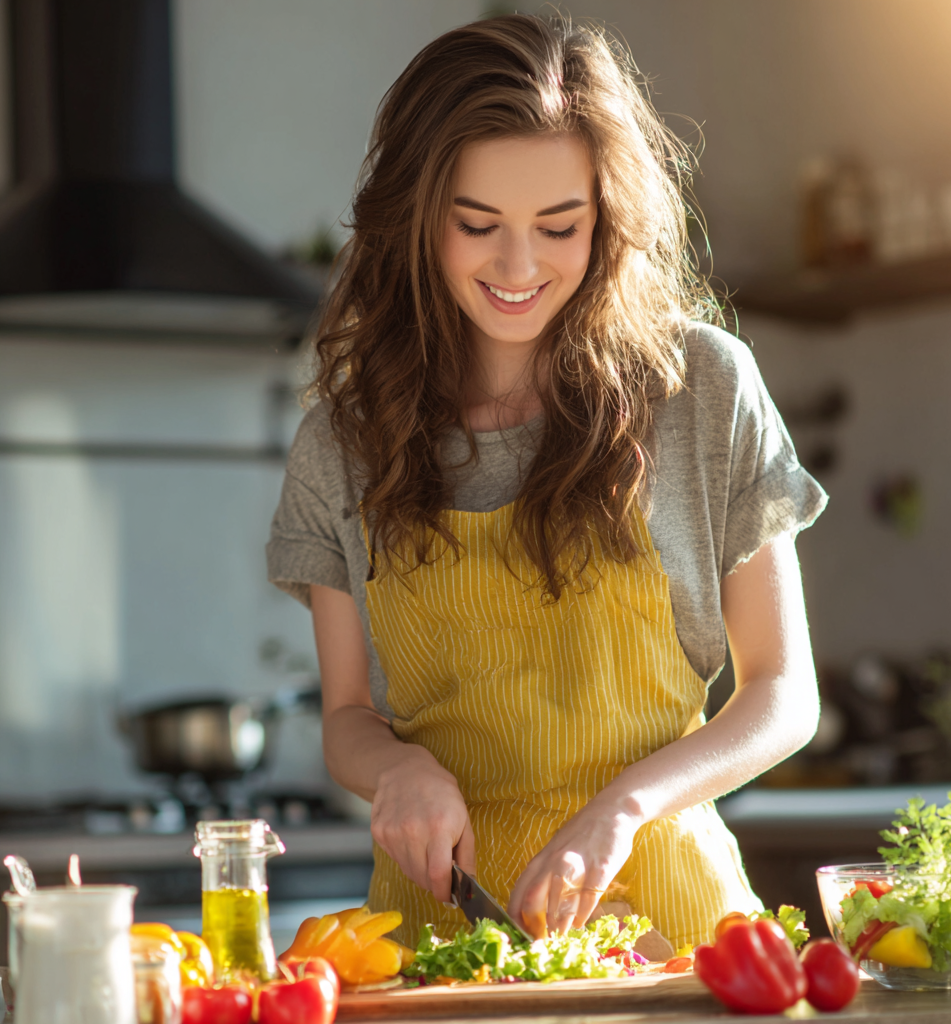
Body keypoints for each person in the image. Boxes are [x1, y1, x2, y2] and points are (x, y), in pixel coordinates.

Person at [267, 13, 827, 952]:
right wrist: (397, 770)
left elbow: (782, 690)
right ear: (415, 218)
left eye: (559, 226)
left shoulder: (702, 388)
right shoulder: (344, 441)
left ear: (609, 218)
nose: (518, 267)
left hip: (671, 936)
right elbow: (347, 717)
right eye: (476, 224)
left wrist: (623, 809)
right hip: (442, 943)